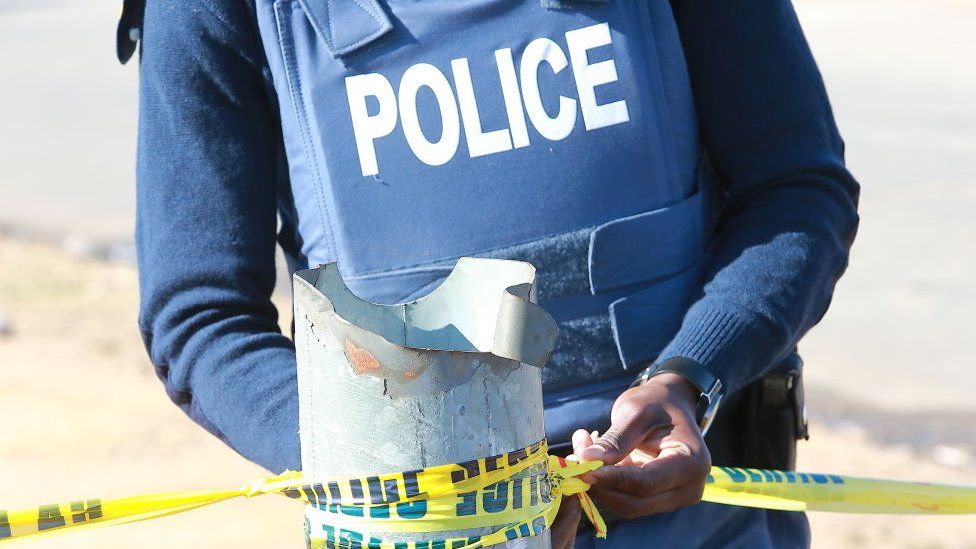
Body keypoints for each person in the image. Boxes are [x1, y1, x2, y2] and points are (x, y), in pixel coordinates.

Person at [123, 0, 859, 546]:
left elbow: (798, 191)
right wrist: (395, 472)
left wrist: (694, 376)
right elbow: (201, 313)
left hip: (707, 526)